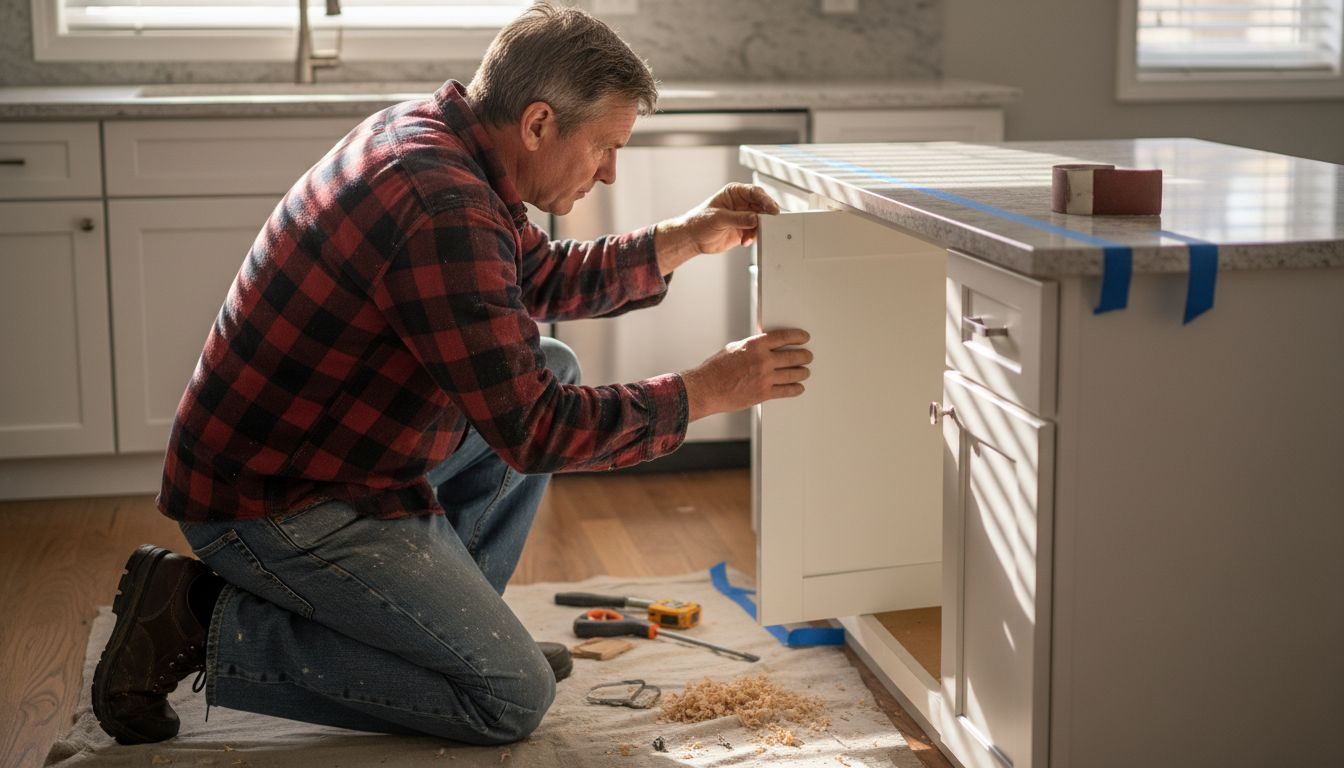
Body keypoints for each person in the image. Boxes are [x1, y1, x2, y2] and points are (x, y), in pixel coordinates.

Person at [91, 2, 810, 747]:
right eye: (605, 147)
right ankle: (195, 616)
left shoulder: (436, 139)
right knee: (508, 699)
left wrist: (686, 237)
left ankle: (446, 636)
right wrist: (709, 391)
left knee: (550, 360)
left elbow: (534, 276)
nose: (610, 171)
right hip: (272, 502)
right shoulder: (443, 204)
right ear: (537, 124)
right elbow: (537, 432)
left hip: (323, 455)